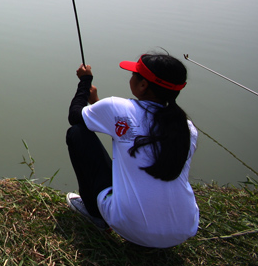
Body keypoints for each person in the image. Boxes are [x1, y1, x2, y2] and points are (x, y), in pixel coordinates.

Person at [65, 52, 199, 248]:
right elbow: (131, 128)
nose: (131, 77)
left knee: (77, 133)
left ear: (143, 85)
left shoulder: (118, 108)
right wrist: (96, 104)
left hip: (129, 225)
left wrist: (85, 82)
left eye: (134, 75)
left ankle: (94, 212)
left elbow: (75, 116)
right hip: (183, 229)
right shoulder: (187, 129)